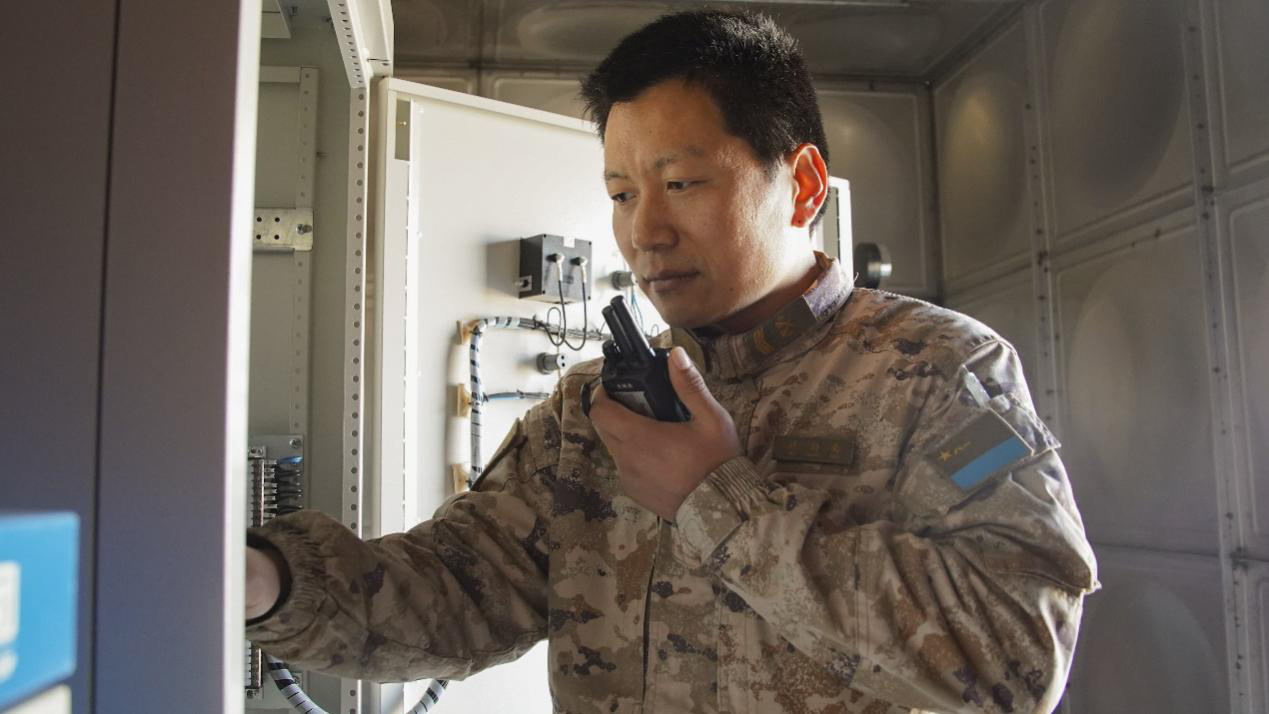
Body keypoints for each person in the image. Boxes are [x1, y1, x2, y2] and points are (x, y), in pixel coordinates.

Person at [245, 10, 1098, 713]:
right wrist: (267, 583)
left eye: (682, 183)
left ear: (802, 186)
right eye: (621, 194)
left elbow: (1015, 659)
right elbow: (455, 597)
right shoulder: (595, 407)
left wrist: (715, 499)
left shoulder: (938, 371)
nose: (643, 231)